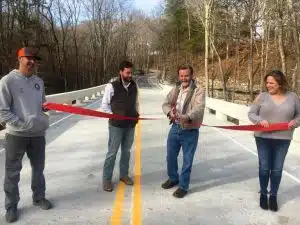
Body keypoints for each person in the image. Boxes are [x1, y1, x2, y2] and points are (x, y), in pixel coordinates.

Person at [0, 47, 52, 223]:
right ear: (19, 59)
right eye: (27, 58)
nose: (31, 62)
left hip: (37, 135)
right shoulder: (8, 81)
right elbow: (2, 111)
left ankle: (39, 197)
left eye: (34, 59)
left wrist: (44, 115)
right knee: (12, 173)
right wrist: (22, 124)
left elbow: (42, 104)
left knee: (39, 169)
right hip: (16, 135)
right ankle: (11, 206)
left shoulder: (39, 82)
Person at [248, 70, 300, 211]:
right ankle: (263, 194)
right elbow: (251, 113)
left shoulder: (293, 97)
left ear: (280, 83)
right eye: (267, 82)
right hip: (263, 138)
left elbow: (299, 115)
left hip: (283, 139)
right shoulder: (262, 97)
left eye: (271, 83)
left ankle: (273, 196)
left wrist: (294, 122)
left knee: (277, 170)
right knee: (265, 168)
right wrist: (260, 120)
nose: (268, 85)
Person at [161, 65, 206, 198]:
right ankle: (173, 178)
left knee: (187, 160)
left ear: (191, 75)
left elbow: (198, 109)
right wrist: (170, 112)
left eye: (186, 75)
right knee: (170, 156)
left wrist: (185, 117)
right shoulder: (176, 88)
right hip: (175, 127)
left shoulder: (199, 90)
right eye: (181, 76)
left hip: (190, 130)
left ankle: (183, 186)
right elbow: (166, 103)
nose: (184, 78)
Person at [101, 60, 139, 192]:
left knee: (126, 151)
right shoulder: (111, 86)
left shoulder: (134, 86)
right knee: (112, 152)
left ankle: (124, 175)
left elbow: (135, 103)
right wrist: (113, 115)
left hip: (130, 125)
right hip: (116, 126)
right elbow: (104, 105)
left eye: (131, 73)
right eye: (127, 72)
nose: (130, 75)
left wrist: (136, 114)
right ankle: (107, 179)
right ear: (121, 72)